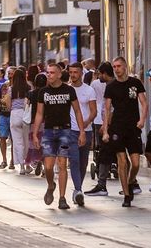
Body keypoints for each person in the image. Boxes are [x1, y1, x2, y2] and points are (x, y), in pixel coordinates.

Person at [32, 62, 85, 209]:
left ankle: (62, 198)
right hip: (49, 131)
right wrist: (35, 134)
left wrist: (81, 131)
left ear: (60, 74)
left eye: (52, 73)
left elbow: (78, 111)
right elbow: (39, 113)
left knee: (62, 164)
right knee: (48, 167)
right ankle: (51, 185)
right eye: (47, 73)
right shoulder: (43, 92)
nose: (49, 75)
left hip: (65, 131)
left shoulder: (69, 90)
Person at [101, 56, 147, 207]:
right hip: (117, 128)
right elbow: (107, 109)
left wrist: (142, 120)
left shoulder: (135, 83)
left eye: (118, 66)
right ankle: (126, 194)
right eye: (114, 67)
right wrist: (106, 130)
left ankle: (130, 181)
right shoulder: (111, 86)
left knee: (135, 163)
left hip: (133, 127)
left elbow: (144, 102)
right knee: (121, 161)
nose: (116, 69)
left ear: (125, 66)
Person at [66, 61, 96, 207]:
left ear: (81, 73)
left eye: (75, 72)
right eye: (70, 72)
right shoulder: (66, 89)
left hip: (86, 130)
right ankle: (78, 190)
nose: (73, 75)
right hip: (70, 131)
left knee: (83, 162)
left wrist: (84, 124)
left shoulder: (89, 90)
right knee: (74, 160)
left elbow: (94, 112)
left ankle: (78, 188)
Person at [85, 61, 115, 197]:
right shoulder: (108, 85)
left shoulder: (110, 86)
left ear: (104, 73)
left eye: (99, 74)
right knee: (110, 152)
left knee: (105, 152)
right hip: (105, 122)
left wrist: (105, 125)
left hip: (107, 124)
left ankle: (102, 184)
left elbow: (110, 109)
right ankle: (131, 183)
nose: (98, 76)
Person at [8, 68, 30, 175]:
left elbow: (8, 105)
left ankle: (21, 166)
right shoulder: (28, 88)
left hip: (15, 114)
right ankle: (27, 164)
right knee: (26, 141)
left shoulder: (11, 89)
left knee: (17, 142)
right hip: (25, 114)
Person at [0, 81, 12, 169]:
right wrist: (2, 101)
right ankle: (4, 160)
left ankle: (12, 161)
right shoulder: (3, 86)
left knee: (13, 139)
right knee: (2, 138)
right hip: (3, 115)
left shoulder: (14, 88)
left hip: (12, 115)